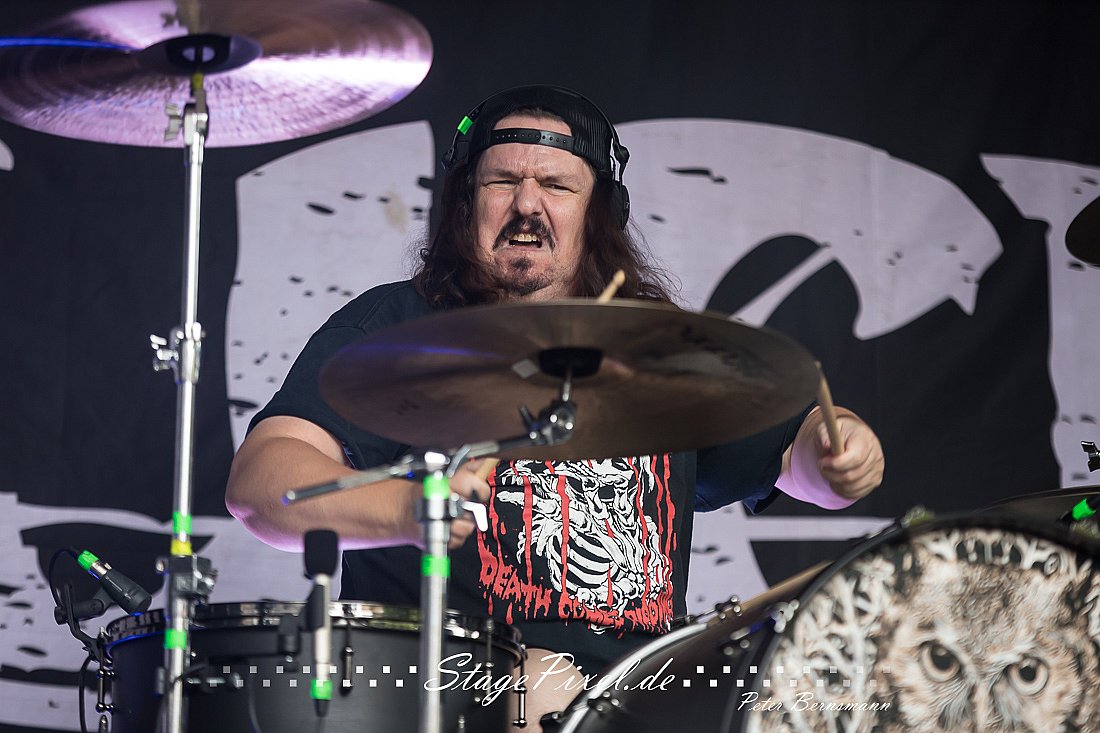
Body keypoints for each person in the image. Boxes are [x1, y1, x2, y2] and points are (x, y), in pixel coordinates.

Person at [225, 85, 885, 731]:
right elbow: (260, 487)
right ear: (466, 203)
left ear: (598, 213)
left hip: (640, 699)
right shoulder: (395, 326)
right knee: (541, 684)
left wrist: (838, 452)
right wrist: (405, 509)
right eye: (502, 181)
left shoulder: (659, 351)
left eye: (556, 185)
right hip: (445, 693)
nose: (526, 204)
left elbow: (796, 463)